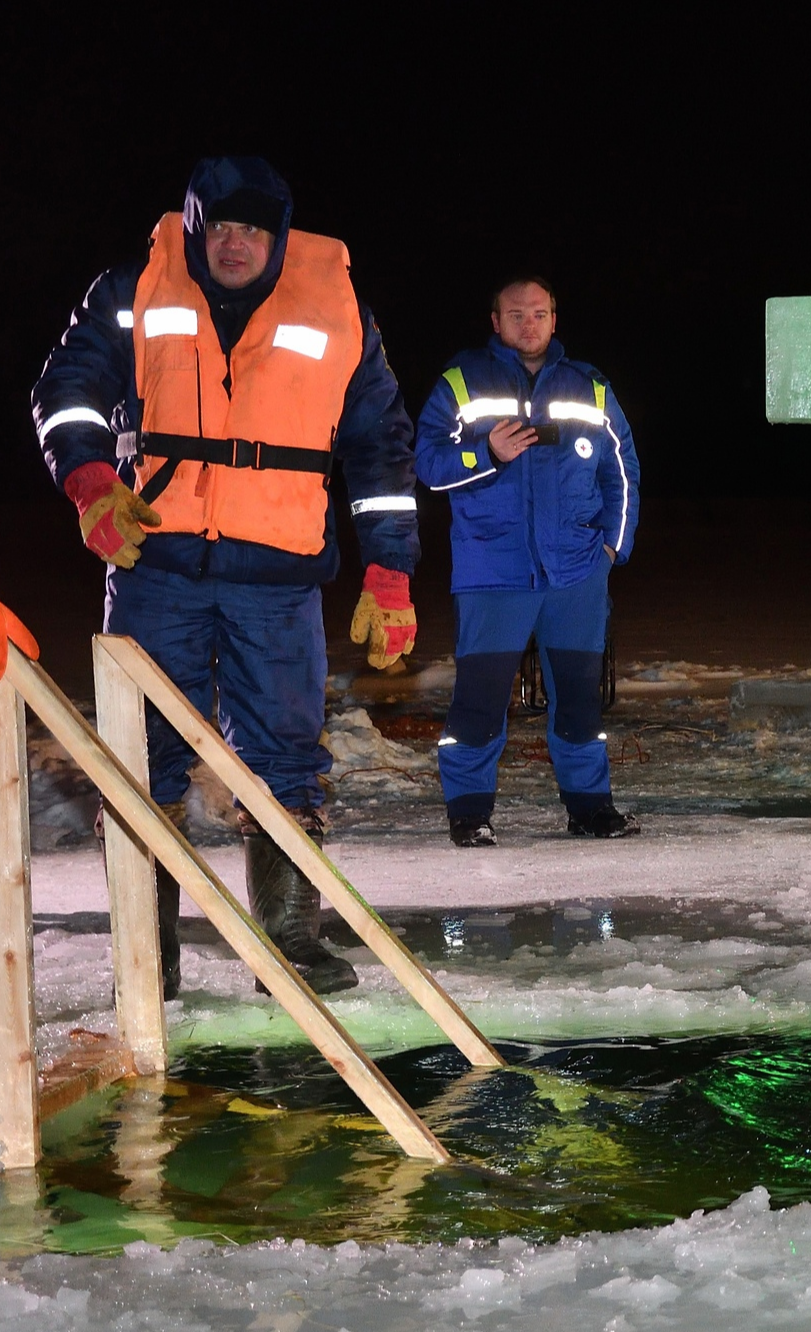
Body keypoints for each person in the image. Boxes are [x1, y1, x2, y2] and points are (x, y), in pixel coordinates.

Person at [28, 156, 420, 996]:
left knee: (285, 756)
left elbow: (382, 450)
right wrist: (91, 480)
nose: (234, 244)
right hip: (155, 565)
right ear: (197, 226)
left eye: (253, 229)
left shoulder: (340, 307)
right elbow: (66, 387)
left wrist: (390, 572)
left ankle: (291, 943)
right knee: (138, 759)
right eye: (219, 228)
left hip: (277, 579)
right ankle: (149, 951)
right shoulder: (135, 288)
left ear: (280, 234)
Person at [411, 275, 640, 845]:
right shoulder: (461, 382)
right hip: (493, 572)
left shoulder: (590, 387)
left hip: (577, 572)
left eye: (539, 313)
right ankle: (469, 813)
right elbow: (427, 463)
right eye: (516, 315)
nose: (528, 324)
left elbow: (623, 472)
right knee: (480, 701)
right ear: (495, 321)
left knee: (581, 702)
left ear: (554, 319)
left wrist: (611, 548)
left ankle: (590, 808)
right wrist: (485, 452)